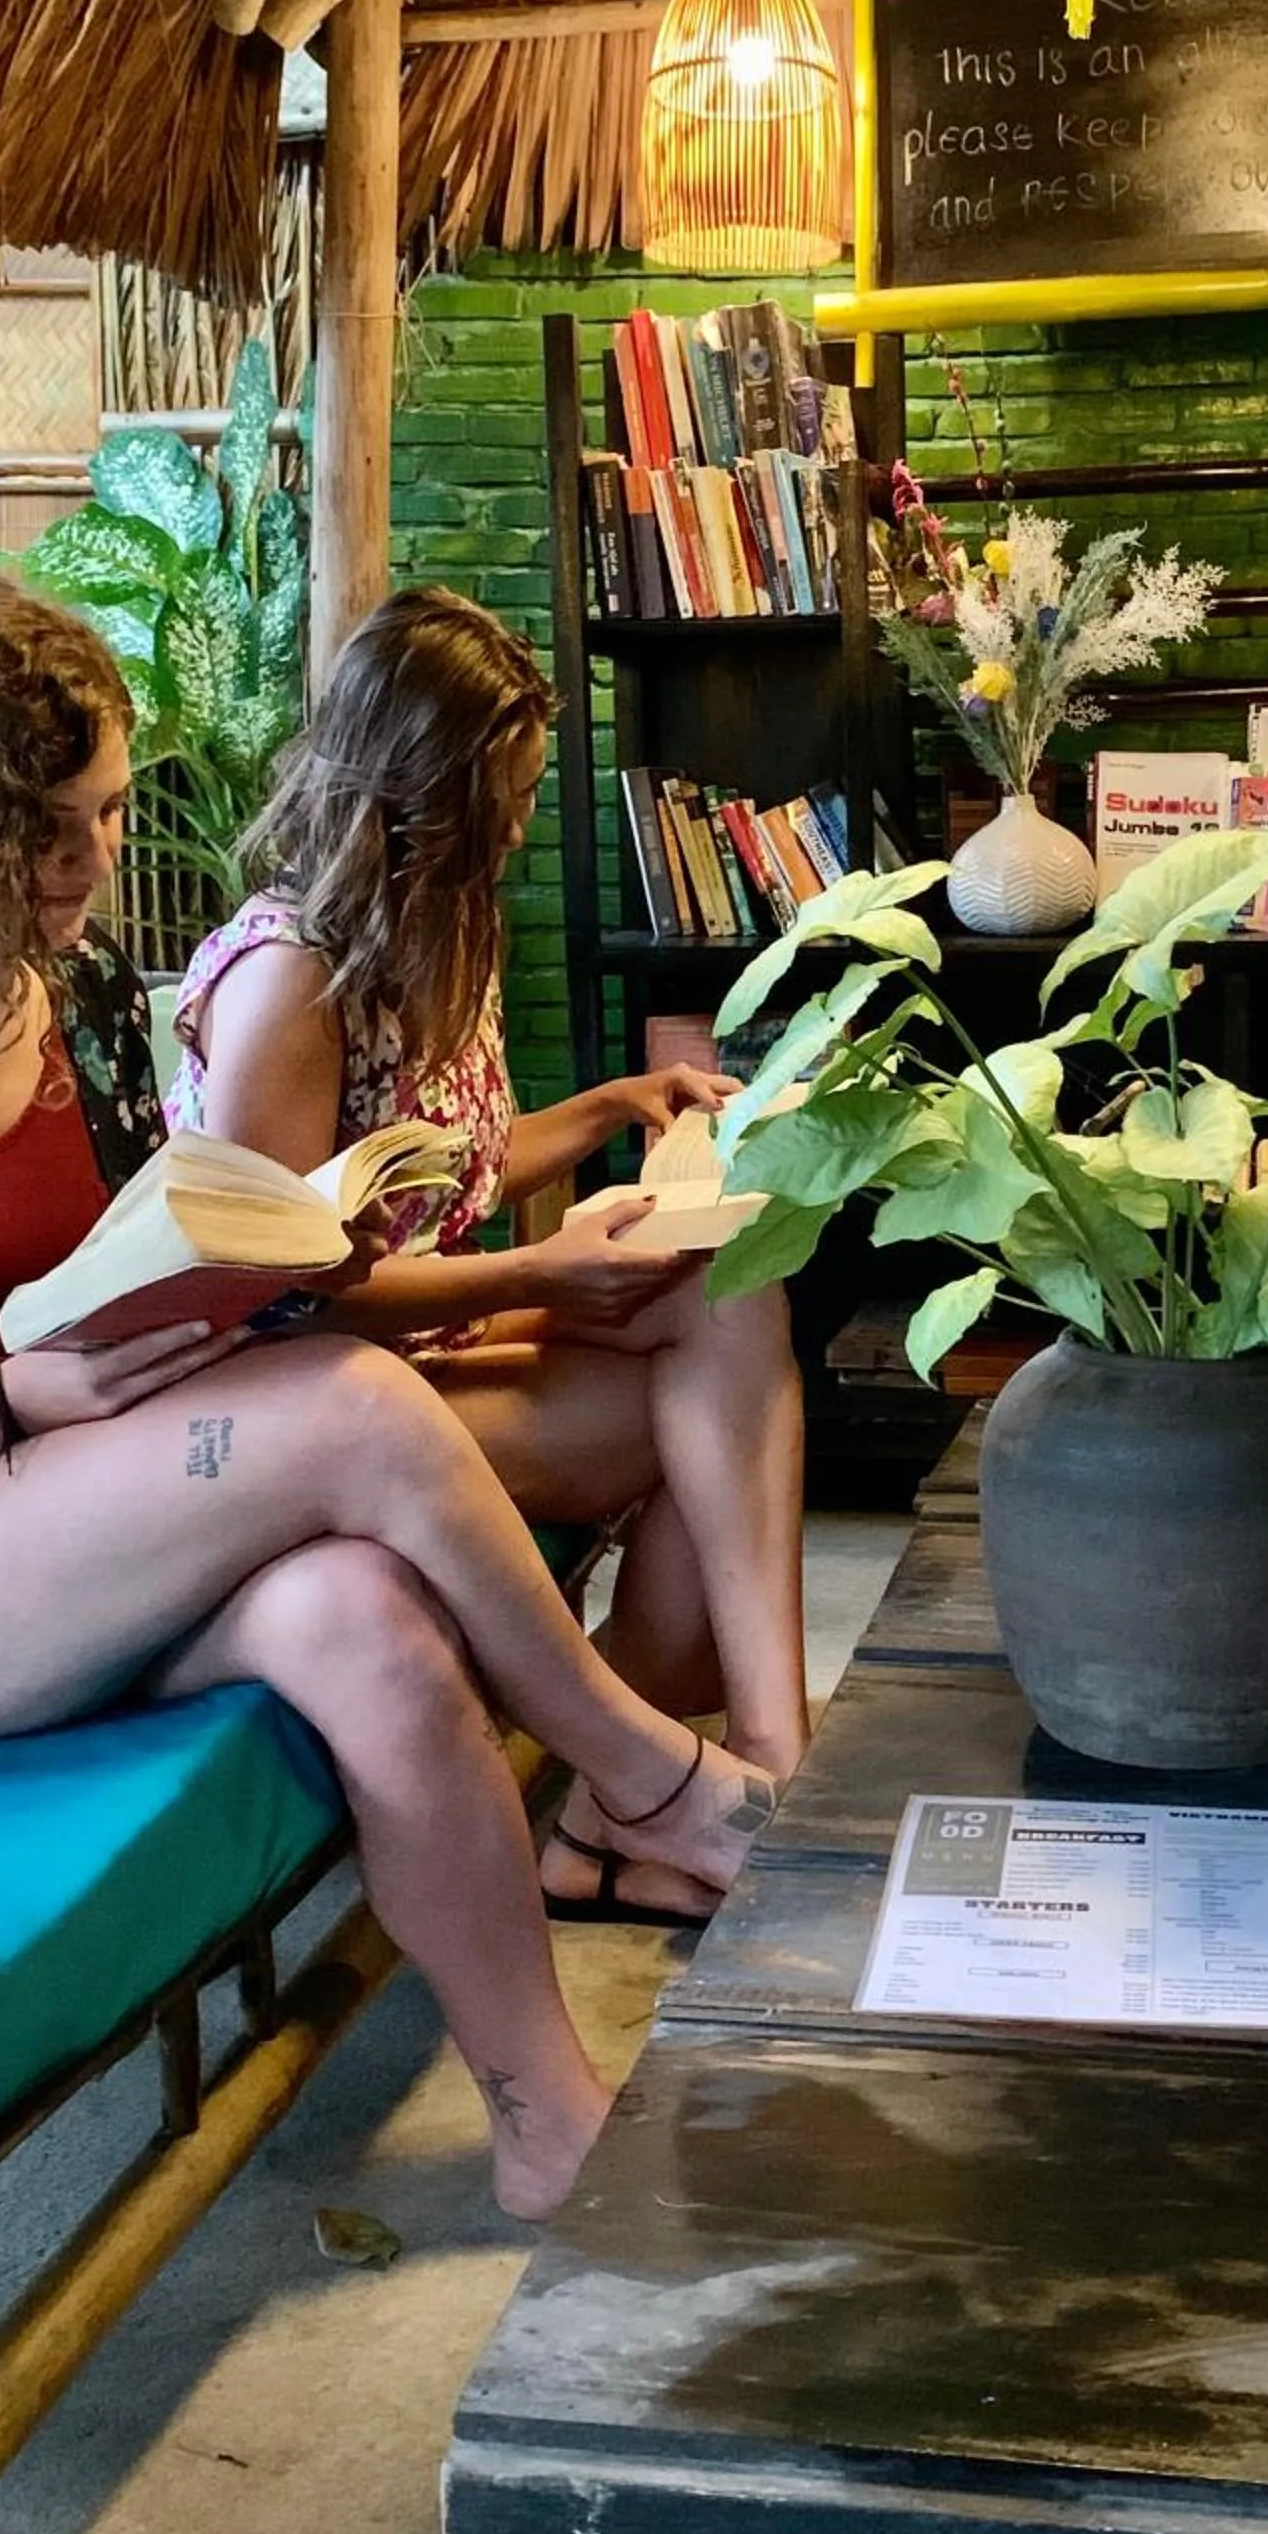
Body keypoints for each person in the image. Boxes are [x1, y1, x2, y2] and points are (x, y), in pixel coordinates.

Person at [0, 577, 778, 2221]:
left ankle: (550, 2121)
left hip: (67, 1508)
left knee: (361, 1620)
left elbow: (146, 1242)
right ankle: (654, 1776)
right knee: (349, 1411)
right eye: (46, 837)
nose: (93, 866)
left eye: (106, 818)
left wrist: (268, 1260)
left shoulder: (84, 999)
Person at [170, 589, 809, 1927]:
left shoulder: (431, 927)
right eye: (497, 795)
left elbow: (427, 1174)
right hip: (305, 1412)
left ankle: (712, 1775)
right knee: (711, 1428)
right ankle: (691, 1793)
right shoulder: (290, 980)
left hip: (422, 1351)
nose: (517, 827)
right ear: (410, 792)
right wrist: (535, 1279)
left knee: (728, 1305)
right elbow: (274, 1295)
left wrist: (606, 1116)